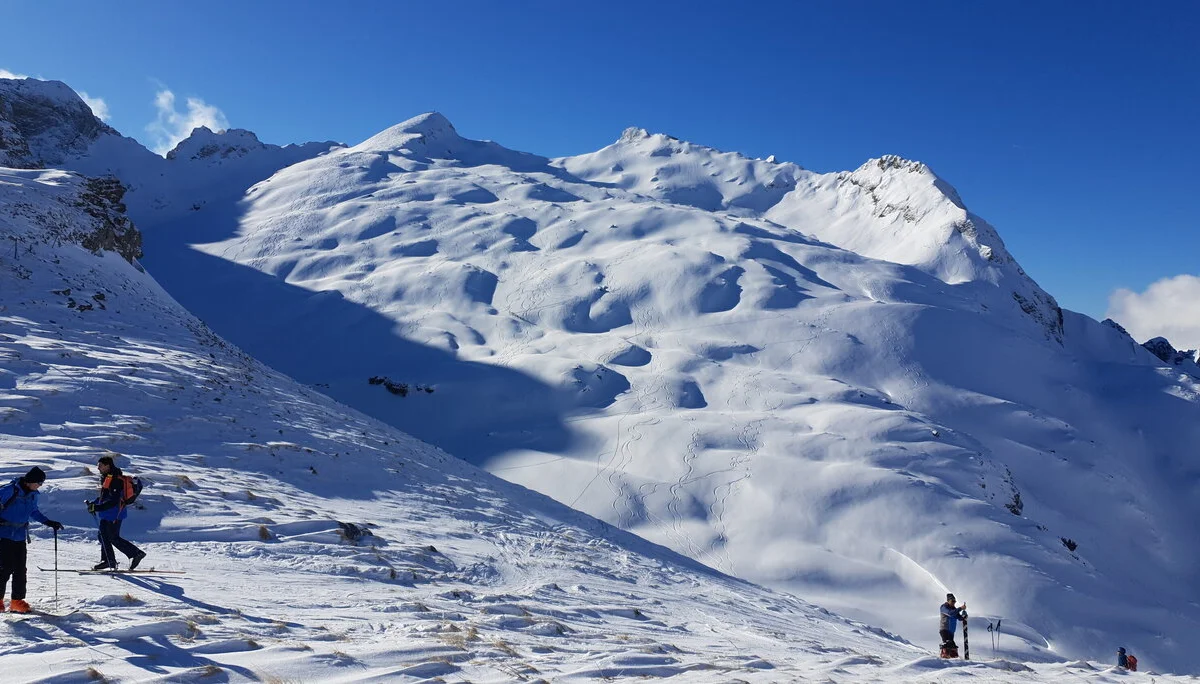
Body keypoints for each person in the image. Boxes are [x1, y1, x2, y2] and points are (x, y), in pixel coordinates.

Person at [0, 467, 64, 613]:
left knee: (20, 569)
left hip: (20, 535)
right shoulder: (9, 490)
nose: (40, 486)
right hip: (3, 534)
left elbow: (33, 511)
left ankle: (17, 601)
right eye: (39, 483)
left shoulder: (33, 494)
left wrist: (48, 522)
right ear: (31, 481)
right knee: (4, 568)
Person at [88, 456, 145, 571]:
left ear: (107, 466)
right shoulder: (108, 477)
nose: (98, 468)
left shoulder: (115, 480)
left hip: (114, 513)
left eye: (100, 465)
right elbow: (106, 496)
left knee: (111, 537)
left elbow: (113, 501)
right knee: (105, 536)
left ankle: (133, 554)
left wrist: (97, 507)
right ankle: (109, 560)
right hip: (110, 512)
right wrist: (95, 503)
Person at [939, 593, 967, 658]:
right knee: (947, 644)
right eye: (952, 601)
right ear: (948, 600)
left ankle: (953, 657)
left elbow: (959, 618)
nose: (954, 603)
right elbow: (950, 613)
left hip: (951, 631)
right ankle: (944, 656)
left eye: (955, 601)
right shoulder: (944, 607)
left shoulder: (954, 609)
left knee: (953, 646)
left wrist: (964, 616)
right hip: (945, 629)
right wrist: (960, 608)